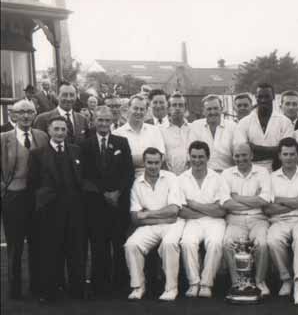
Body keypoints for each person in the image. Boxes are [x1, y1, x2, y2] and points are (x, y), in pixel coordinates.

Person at [27, 116, 87, 302]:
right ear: (49, 131)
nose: (60, 132)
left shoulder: (76, 151)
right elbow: (33, 184)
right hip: (50, 211)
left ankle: (77, 291)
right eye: (56, 129)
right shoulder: (37, 154)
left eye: (63, 129)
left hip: (74, 211)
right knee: (51, 252)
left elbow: (81, 180)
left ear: (67, 131)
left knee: (76, 251)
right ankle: (50, 291)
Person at [80, 106, 134, 297]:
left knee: (119, 244)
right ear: (94, 121)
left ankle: (120, 283)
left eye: (107, 120)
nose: (103, 124)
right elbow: (84, 175)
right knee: (98, 245)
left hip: (118, 204)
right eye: (100, 120)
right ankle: (99, 285)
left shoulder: (122, 142)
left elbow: (129, 172)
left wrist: (117, 193)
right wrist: (104, 193)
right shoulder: (85, 145)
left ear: (112, 121)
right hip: (95, 205)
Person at [1, 100, 49, 299]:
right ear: (14, 114)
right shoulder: (3, 138)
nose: (26, 116)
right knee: (15, 244)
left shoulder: (42, 136)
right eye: (22, 112)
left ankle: (37, 286)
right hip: (14, 197)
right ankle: (15, 289)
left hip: (37, 198)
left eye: (30, 112)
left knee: (38, 243)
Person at [124, 148, 186, 301]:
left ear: (161, 162)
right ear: (144, 163)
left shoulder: (171, 178)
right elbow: (135, 218)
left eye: (156, 162)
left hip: (173, 225)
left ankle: (171, 288)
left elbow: (173, 210)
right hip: (150, 226)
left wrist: (148, 214)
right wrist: (161, 218)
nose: (153, 166)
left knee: (169, 243)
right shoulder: (136, 183)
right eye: (149, 162)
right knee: (131, 245)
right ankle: (138, 286)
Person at [265, 137, 298, 305]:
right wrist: (296, 200)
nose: (289, 157)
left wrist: (281, 200)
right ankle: (286, 279)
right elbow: (268, 209)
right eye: (285, 154)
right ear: (279, 156)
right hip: (278, 220)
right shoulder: (271, 177)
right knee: (272, 240)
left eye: (292, 154)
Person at [178, 141, 230, 298]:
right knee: (187, 242)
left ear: (208, 157)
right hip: (192, 221)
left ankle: (206, 284)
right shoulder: (181, 179)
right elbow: (181, 211)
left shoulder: (218, 178)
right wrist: (208, 209)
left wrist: (194, 205)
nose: (197, 160)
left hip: (215, 222)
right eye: (193, 156)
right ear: (189, 157)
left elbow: (222, 210)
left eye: (201, 156)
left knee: (214, 243)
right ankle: (194, 283)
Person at [221, 143, 272, 296]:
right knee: (227, 244)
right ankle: (238, 283)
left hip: (259, 219)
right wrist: (253, 201)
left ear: (251, 156)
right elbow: (225, 203)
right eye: (237, 155)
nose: (240, 159)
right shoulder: (226, 173)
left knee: (262, 244)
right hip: (235, 220)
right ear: (233, 157)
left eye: (244, 155)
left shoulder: (263, 172)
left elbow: (265, 200)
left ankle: (259, 282)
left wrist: (237, 197)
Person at [234, 82, 293, 172]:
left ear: (273, 97)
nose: (263, 100)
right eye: (260, 97)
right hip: (251, 172)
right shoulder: (244, 122)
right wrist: (275, 150)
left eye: (267, 96)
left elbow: (286, 151)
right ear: (255, 97)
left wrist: (253, 148)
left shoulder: (285, 122)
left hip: (278, 171)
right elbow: (243, 151)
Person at [113, 95, 166, 178]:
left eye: (142, 109)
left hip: (153, 179)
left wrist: (131, 159)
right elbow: (118, 162)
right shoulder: (117, 134)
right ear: (128, 109)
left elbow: (162, 157)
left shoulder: (155, 130)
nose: (138, 112)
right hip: (128, 180)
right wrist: (150, 159)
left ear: (146, 111)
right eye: (135, 108)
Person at [189, 95, 236, 172]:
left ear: (221, 109)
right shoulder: (196, 126)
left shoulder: (232, 127)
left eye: (215, 108)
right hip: (204, 175)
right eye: (209, 109)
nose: (213, 112)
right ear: (203, 111)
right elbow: (192, 154)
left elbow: (237, 154)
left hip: (227, 174)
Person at [160, 92, 191, 175]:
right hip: (168, 177)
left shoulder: (193, 129)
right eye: (174, 105)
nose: (177, 108)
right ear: (168, 109)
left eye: (181, 105)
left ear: (185, 108)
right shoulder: (160, 130)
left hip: (189, 177)